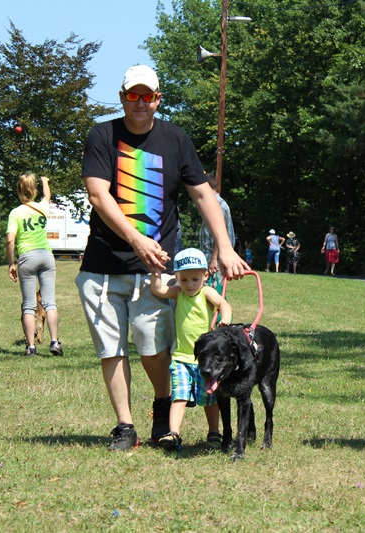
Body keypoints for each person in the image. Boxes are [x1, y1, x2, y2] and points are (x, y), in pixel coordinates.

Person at [76, 64, 248, 452]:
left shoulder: (175, 139)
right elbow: (99, 195)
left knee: (154, 348)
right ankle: (124, 426)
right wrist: (136, 239)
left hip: (156, 271)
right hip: (103, 266)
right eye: (132, 95)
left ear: (158, 99)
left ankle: (161, 404)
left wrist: (224, 244)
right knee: (112, 348)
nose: (140, 103)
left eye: (147, 96)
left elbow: (204, 194)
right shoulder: (103, 135)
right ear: (122, 98)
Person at [149, 248, 232, 451]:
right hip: (181, 358)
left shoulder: (206, 292)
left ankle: (214, 433)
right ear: (177, 277)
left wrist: (226, 318)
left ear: (205, 275)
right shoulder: (177, 293)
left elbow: (223, 303)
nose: (189, 284)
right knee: (179, 395)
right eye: (183, 279)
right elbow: (158, 291)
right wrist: (155, 273)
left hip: (205, 361)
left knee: (209, 399)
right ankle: (173, 434)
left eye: (195, 279)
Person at [6, 174, 63, 357]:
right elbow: (47, 197)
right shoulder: (41, 208)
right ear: (34, 191)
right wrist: (46, 181)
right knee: (50, 302)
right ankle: (55, 342)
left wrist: (10, 264)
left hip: (27, 258)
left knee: (29, 306)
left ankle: (31, 347)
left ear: (18, 192)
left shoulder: (16, 213)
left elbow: (10, 240)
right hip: (46, 256)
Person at [199, 172, 235, 290]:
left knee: (214, 291)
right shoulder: (210, 204)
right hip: (208, 256)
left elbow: (220, 235)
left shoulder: (218, 205)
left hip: (216, 258)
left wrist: (214, 259)